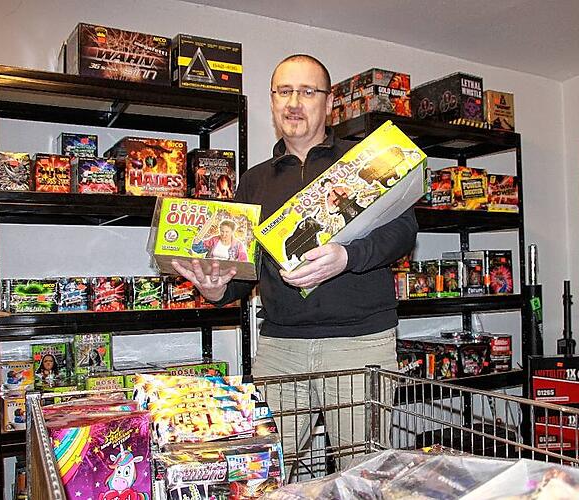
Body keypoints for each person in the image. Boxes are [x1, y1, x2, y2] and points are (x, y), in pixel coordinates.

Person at [172, 54, 417, 470]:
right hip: (280, 348)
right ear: (272, 100)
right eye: (284, 91)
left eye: (307, 91)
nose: (294, 102)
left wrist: (347, 257)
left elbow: (403, 230)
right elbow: (246, 268)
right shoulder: (253, 181)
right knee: (264, 472)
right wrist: (216, 290)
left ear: (329, 102)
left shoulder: (363, 159)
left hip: (360, 345)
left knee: (362, 476)